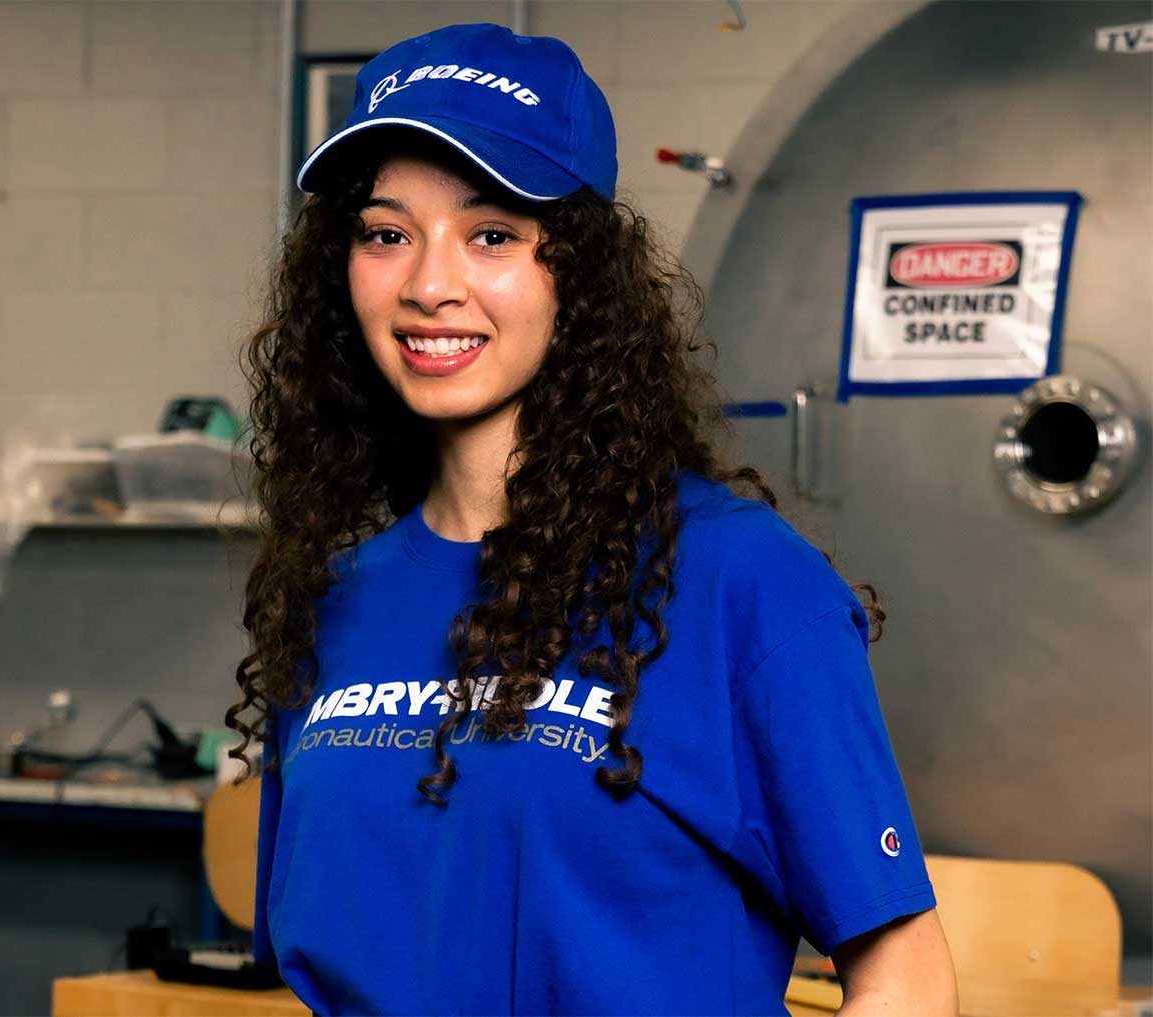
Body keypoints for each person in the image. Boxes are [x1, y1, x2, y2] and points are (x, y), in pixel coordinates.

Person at [224, 21, 958, 1017]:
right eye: (386, 233)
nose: (429, 285)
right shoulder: (333, 601)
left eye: (491, 234)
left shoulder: (738, 584)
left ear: (578, 274)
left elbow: (904, 976)